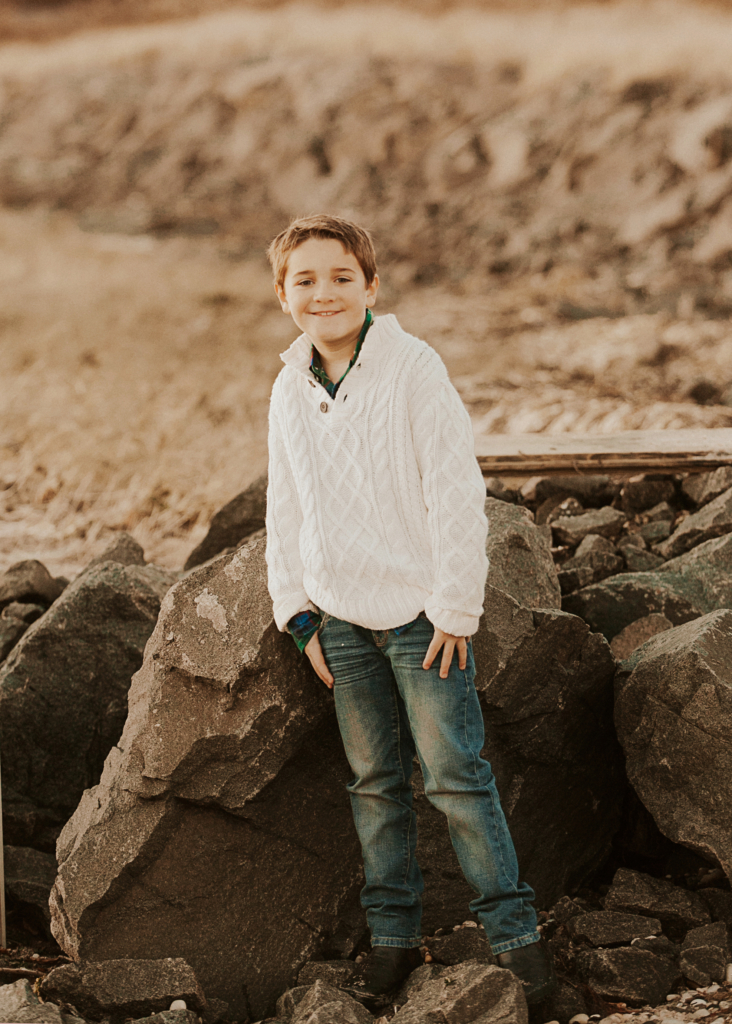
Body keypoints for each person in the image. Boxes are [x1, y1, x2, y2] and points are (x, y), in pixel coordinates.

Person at [264, 214, 556, 1006]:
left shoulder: (412, 367)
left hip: (425, 620)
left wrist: (458, 607)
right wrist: (298, 616)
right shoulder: (290, 387)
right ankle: (393, 937)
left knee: (456, 776)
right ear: (282, 293)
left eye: (340, 278)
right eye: (305, 280)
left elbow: (458, 489)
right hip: (341, 622)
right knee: (372, 783)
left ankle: (518, 945)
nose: (323, 293)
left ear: (371, 286)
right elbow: (283, 509)